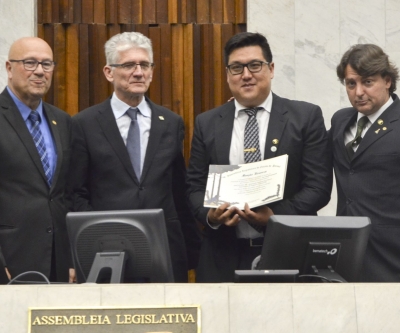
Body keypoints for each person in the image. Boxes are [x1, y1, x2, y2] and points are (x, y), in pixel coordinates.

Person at [186, 32, 332, 282]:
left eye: (254, 65)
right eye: (236, 67)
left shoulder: (305, 117)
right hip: (222, 256)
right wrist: (211, 215)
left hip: (288, 251)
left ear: (271, 68)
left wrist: (275, 218)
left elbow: (318, 187)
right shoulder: (207, 123)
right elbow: (194, 187)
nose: (246, 75)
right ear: (227, 73)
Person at [69, 32, 200, 282]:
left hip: (165, 250)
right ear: (109, 72)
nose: (139, 72)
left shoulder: (171, 123)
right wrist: (89, 243)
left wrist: (193, 252)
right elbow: (76, 192)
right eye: (129, 65)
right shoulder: (84, 124)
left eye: (145, 65)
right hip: (106, 251)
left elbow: (179, 190)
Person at [0, 37, 74, 283]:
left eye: (47, 64)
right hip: (11, 259)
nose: (40, 71)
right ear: (9, 68)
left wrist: (74, 257)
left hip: (59, 261)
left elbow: (66, 193)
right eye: (30, 63)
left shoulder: (62, 121)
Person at [330, 44, 400, 282]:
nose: (358, 92)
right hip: (347, 252)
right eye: (351, 84)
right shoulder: (340, 121)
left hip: (391, 256)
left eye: (367, 82)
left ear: (387, 81)